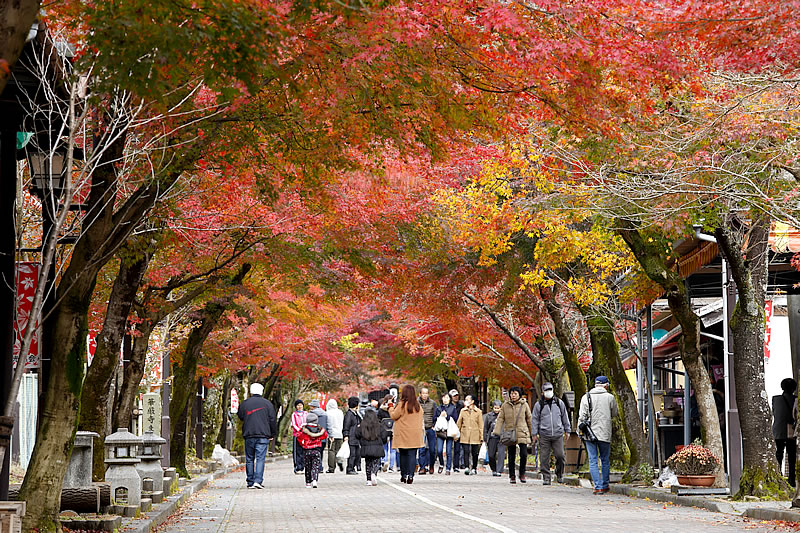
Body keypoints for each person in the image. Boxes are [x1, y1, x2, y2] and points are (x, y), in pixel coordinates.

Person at [578, 376, 618, 494]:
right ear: (606, 385)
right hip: (605, 432)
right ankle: (605, 485)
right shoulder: (610, 397)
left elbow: (582, 416)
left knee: (593, 460)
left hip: (590, 433)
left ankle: (597, 486)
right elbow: (614, 413)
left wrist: (579, 431)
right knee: (605, 459)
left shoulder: (586, 397)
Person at [237, 383, 278, 489]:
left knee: (249, 458)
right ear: (261, 391)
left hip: (249, 434)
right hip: (263, 434)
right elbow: (272, 420)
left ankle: (250, 481)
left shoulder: (245, 403)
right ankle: (258, 481)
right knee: (260, 458)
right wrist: (273, 433)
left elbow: (240, 416)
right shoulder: (267, 404)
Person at [531, 382, 571, 485]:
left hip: (558, 434)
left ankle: (559, 474)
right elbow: (534, 419)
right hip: (544, 434)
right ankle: (546, 477)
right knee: (544, 457)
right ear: (542, 392)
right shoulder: (539, 405)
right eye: (546, 390)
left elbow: (565, 416)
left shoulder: (559, 403)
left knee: (560, 455)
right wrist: (534, 433)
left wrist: (567, 430)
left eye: (550, 390)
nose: (549, 392)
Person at [493, 386, 532, 484]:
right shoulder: (505, 405)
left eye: (515, 393)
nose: (513, 395)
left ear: (519, 394)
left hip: (522, 432)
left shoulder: (524, 405)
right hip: (510, 432)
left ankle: (522, 473)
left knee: (524, 454)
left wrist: (532, 432)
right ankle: (512, 475)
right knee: (511, 455)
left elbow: (529, 418)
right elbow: (500, 418)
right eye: (511, 393)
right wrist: (497, 431)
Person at [390, 385, 425, 484]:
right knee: (412, 455)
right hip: (414, 434)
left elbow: (394, 415)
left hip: (403, 433)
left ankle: (404, 475)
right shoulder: (417, 406)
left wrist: (390, 407)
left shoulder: (401, 404)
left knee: (403, 455)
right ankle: (411, 475)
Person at [773, 377, 797, 487]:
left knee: (779, 454)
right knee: (791, 456)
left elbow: (775, 412)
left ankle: (778, 476)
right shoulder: (796, 400)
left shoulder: (776, 399)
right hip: (791, 430)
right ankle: (792, 479)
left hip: (778, 429)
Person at [356, 410, 389, 486]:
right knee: (376, 462)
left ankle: (368, 480)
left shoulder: (362, 426)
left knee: (368, 463)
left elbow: (357, 435)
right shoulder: (379, 426)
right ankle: (374, 473)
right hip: (377, 448)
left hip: (366, 448)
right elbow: (384, 436)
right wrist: (382, 442)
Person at [298, 412, 328, 488]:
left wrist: (302, 444)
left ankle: (308, 482)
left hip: (307, 450)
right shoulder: (320, 429)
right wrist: (319, 439)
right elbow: (325, 435)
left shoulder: (304, 429)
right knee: (315, 466)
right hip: (317, 450)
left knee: (308, 467)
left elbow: (299, 436)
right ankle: (314, 480)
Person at [457, 394, 483, 475]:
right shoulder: (463, 411)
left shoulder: (478, 411)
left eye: (467, 399)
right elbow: (459, 423)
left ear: (472, 401)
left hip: (475, 434)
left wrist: (481, 436)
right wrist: (457, 434)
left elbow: (481, 425)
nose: (466, 401)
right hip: (465, 433)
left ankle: (474, 467)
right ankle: (467, 467)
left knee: (475, 452)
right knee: (466, 451)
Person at [434, 393, 457, 474]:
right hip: (441, 431)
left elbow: (455, 419)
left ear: (450, 399)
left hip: (449, 431)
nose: (445, 399)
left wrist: (447, 416)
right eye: (444, 397)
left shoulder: (453, 408)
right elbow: (434, 418)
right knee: (439, 450)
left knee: (448, 451)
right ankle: (441, 464)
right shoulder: (438, 408)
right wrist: (440, 416)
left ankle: (448, 468)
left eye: (447, 398)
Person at [417, 387, 438, 475]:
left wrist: (434, 425)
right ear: (420, 394)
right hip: (420, 428)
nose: (425, 395)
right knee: (421, 449)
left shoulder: (432, 403)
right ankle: (422, 467)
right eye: (423, 393)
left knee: (432, 449)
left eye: (426, 393)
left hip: (430, 427)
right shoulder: (416, 403)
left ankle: (431, 465)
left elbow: (436, 414)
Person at [484, 400, 505, 476]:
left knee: (501, 454)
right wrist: (485, 438)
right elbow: (486, 427)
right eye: (495, 408)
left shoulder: (503, 415)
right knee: (491, 455)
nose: (496, 410)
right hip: (492, 437)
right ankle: (494, 469)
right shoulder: (489, 416)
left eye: (498, 408)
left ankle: (499, 470)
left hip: (501, 437)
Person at [343, 396, 363, 475]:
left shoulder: (355, 413)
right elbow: (346, 426)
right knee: (352, 454)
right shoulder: (349, 414)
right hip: (351, 436)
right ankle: (350, 468)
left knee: (357, 454)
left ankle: (354, 467)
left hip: (356, 436)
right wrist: (346, 435)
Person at [378, 396, 398, 472]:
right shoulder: (395, 408)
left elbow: (378, 420)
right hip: (393, 430)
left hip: (384, 430)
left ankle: (384, 461)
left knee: (385, 448)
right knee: (393, 450)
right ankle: (391, 467)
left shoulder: (381, 409)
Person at [326, 398, 345, 473]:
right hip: (340, 434)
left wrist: (329, 434)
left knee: (331, 451)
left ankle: (331, 468)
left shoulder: (328, 413)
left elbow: (328, 424)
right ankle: (339, 461)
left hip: (332, 435)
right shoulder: (340, 412)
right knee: (338, 450)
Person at [449, 389, 466, 471]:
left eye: (457, 396)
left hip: (459, 427)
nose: (456, 397)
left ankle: (458, 465)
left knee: (458, 447)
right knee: (449, 447)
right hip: (450, 427)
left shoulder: (461, 405)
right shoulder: (448, 406)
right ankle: (449, 464)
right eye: (454, 396)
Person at [291, 399, 307, 474]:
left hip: (305, 435)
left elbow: (307, 422)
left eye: (301, 405)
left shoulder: (306, 414)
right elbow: (294, 424)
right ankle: (297, 467)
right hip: (297, 435)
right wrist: (299, 430)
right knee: (297, 451)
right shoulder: (294, 415)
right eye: (298, 405)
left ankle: (303, 466)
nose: (300, 406)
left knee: (304, 451)